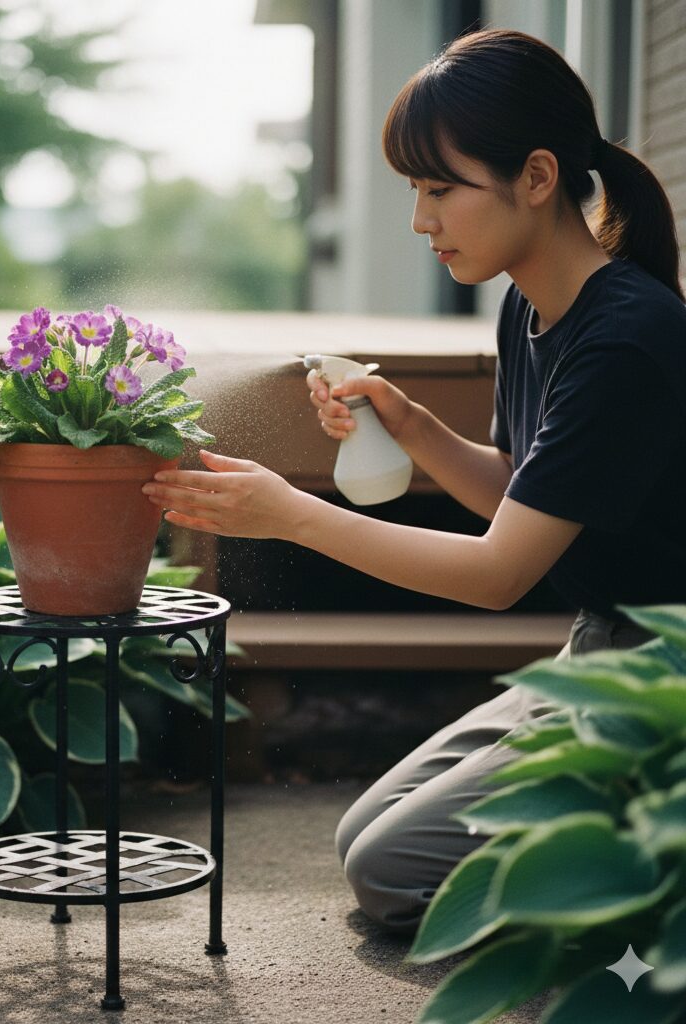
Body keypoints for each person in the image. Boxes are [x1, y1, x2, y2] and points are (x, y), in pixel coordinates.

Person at [140, 27, 686, 933]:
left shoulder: (627, 335)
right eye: (415, 190)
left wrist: (295, 517)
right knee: (367, 837)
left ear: (538, 177)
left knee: (395, 876)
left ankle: (647, 888)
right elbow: (523, 491)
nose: (421, 219)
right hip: (604, 649)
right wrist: (409, 420)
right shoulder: (532, 304)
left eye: (442, 189)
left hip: (663, 673)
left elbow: (500, 572)